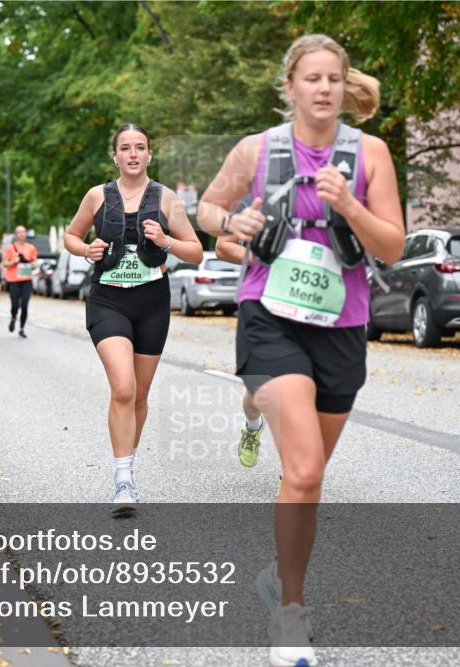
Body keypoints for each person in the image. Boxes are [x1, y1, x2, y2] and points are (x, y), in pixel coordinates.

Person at [197, 35, 405, 667]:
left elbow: (392, 246)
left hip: (342, 327)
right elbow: (206, 207)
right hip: (270, 319)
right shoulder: (256, 150)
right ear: (289, 87)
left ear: (346, 86)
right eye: (311, 78)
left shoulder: (370, 154)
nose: (323, 89)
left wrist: (348, 204)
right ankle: (290, 610)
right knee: (307, 470)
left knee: (302, 481)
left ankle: (278, 577)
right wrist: (229, 223)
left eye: (333, 79)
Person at [64, 123, 203, 509]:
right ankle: (122, 479)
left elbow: (195, 252)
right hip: (108, 300)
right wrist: (85, 250)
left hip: (152, 302)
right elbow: (71, 236)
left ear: (149, 154)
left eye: (140, 147)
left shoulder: (167, 198)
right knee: (123, 388)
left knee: (139, 395)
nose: (133, 154)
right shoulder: (97, 195)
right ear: (115, 155)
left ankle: (129, 466)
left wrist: (165, 241)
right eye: (125, 148)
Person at [214, 228, 267, 469]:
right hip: (262, 300)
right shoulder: (250, 194)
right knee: (257, 390)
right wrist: (273, 261)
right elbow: (224, 246)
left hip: (311, 300)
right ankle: (253, 426)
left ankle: (293, 478)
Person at [3, 225, 38, 337]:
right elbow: (5, 263)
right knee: (15, 305)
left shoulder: (31, 248)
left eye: (23, 232)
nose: (21, 234)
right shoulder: (10, 248)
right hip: (13, 280)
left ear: (26, 234)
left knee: (24, 304)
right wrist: (14, 261)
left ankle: (22, 328)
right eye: (19, 232)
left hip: (26, 280)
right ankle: (13, 317)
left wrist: (33, 264)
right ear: (15, 234)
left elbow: (35, 263)